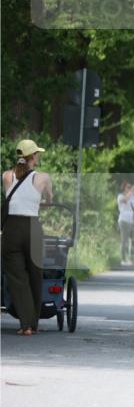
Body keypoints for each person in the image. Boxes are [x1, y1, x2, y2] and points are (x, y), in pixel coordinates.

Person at [2, 140, 53, 336]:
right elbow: (49, 200)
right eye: (37, 154)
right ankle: (33, 322)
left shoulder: (6, 176)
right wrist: (43, 201)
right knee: (35, 275)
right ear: (33, 156)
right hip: (33, 227)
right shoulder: (43, 178)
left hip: (11, 229)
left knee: (18, 278)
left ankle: (26, 325)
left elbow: (11, 199)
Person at [117, 181, 134, 264]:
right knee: (124, 241)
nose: (130, 188)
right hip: (124, 221)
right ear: (124, 188)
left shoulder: (131, 197)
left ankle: (132, 257)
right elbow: (125, 200)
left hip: (132, 221)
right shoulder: (120, 196)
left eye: (130, 187)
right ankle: (123, 259)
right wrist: (131, 191)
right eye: (128, 187)